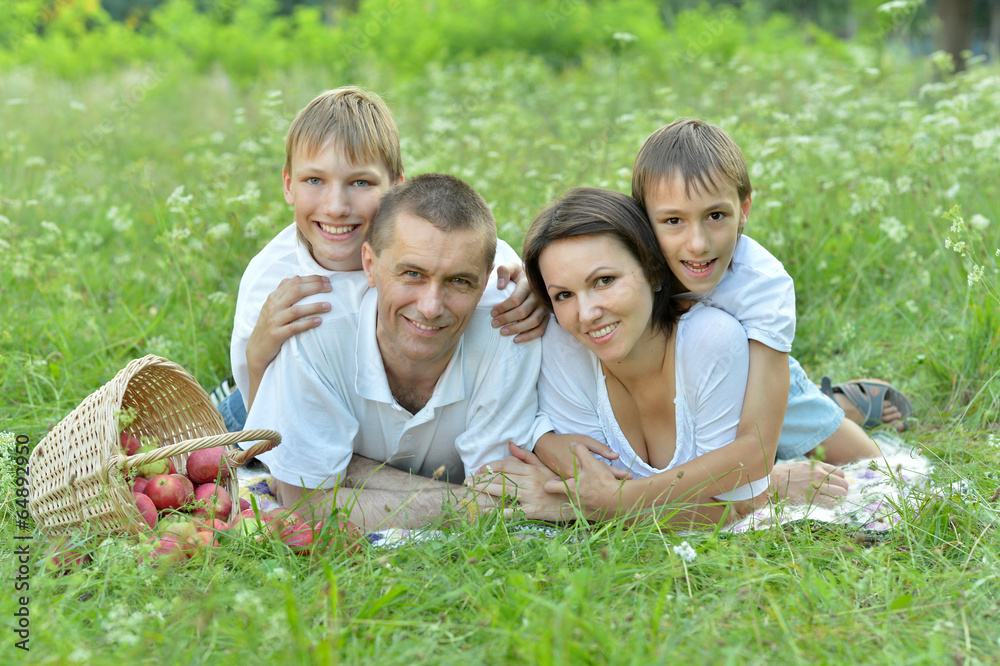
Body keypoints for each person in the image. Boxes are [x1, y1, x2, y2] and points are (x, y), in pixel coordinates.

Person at [215, 87, 547, 430]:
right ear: (288, 184)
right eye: (314, 180)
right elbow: (266, 434)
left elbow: (486, 260)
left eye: (360, 183)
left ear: (396, 188)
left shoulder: (429, 244)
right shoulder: (272, 281)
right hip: (264, 406)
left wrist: (530, 287)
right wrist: (256, 360)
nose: (336, 207)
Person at [243, 174, 554, 530]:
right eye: (412, 274)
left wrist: (343, 469)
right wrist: (467, 503)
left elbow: (500, 495)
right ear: (370, 266)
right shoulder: (315, 329)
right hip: (253, 398)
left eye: (458, 281)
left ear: (484, 284)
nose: (431, 307)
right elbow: (303, 504)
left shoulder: (511, 331)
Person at [471, 188, 784, 524]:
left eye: (604, 280)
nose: (587, 314)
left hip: (764, 374)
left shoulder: (713, 340)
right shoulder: (564, 343)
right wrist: (552, 450)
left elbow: (736, 508)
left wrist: (580, 509)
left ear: (651, 269)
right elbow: (596, 488)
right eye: (563, 295)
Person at [627, 119, 913, 470]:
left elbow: (756, 444)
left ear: (744, 210)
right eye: (673, 221)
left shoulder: (761, 283)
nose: (698, 244)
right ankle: (839, 400)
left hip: (759, 379)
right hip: (681, 393)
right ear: (641, 219)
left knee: (876, 469)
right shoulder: (626, 261)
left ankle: (834, 405)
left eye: (716, 215)